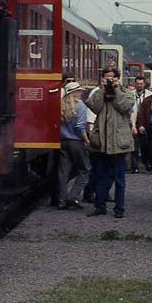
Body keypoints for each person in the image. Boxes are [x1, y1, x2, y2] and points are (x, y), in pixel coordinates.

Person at [84, 67, 135, 218]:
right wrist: (102, 89)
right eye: (106, 77)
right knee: (100, 176)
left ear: (118, 78)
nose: (109, 80)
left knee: (119, 178)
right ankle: (99, 206)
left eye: (112, 77)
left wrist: (116, 89)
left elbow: (124, 106)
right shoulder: (98, 92)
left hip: (119, 142)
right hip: (101, 141)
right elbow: (94, 107)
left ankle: (119, 208)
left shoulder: (127, 93)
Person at [57, 81, 90, 209]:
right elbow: (80, 127)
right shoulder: (80, 106)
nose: (81, 93)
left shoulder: (61, 104)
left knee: (63, 172)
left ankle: (61, 200)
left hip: (63, 141)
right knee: (85, 169)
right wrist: (87, 141)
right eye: (80, 91)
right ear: (75, 92)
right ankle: (73, 197)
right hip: (76, 142)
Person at [129, 75, 148, 173]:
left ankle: (146, 163)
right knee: (134, 146)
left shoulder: (149, 94)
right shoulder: (130, 94)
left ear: (144, 84)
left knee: (145, 145)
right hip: (132, 122)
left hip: (145, 123)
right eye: (138, 83)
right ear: (135, 84)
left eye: (141, 84)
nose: (139, 85)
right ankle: (134, 166)